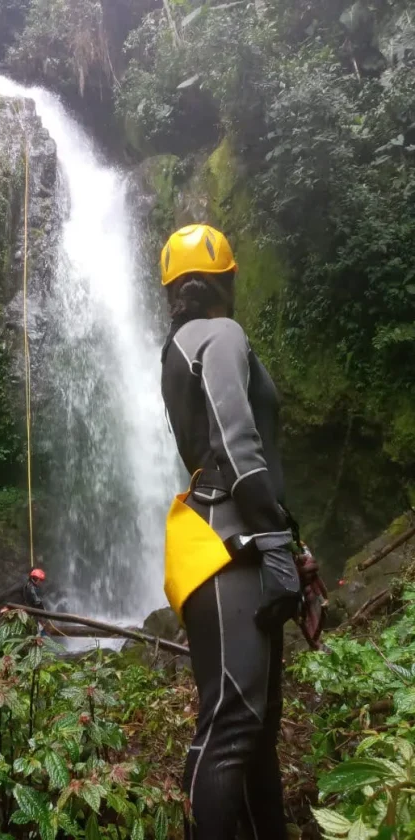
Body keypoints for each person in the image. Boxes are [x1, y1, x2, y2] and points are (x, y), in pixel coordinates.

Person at [160, 224, 304, 840]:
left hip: (221, 538)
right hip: (233, 543)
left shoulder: (179, 344)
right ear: (228, 278)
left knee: (257, 726)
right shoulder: (222, 333)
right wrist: (274, 538)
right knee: (232, 728)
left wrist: (290, 540)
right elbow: (237, 442)